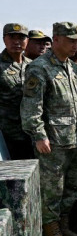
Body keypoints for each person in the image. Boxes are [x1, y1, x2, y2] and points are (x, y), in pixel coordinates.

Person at [21, 22, 77, 236]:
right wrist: (39, 135)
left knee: (71, 187)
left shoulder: (72, 66)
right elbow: (32, 106)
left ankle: (63, 226)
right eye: (72, 40)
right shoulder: (39, 67)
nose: (76, 45)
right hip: (52, 141)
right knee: (52, 190)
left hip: (75, 137)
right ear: (56, 39)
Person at [0, 23, 33, 160]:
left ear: (27, 41)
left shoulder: (33, 65)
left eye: (21, 38)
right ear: (4, 40)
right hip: (6, 135)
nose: (16, 42)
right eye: (12, 37)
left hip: (31, 134)